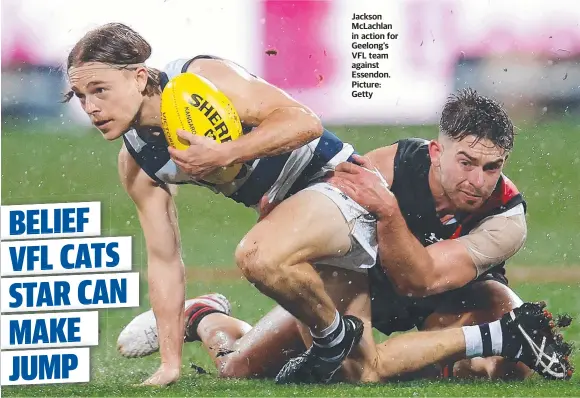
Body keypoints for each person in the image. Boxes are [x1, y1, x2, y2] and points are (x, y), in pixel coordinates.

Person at [118, 89, 574, 382]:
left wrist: (389, 213)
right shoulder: (393, 163)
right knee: (239, 368)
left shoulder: (507, 218)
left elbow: (424, 281)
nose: (478, 181)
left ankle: (460, 350)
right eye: (467, 163)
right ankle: (205, 317)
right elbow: (327, 205)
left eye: (492, 167)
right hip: (363, 282)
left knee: (509, 370)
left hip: (449, 295)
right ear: (438, 152)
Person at [65, 22, 387, 385]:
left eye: (100, 90)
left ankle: (332, 338)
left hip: (338, 185)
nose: (91, 108)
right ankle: (205, 316)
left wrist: (226, 153)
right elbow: (164, 259)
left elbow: (305, 122)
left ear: (139, 77)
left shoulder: (199, 77)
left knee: (259, 255)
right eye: (80, 96)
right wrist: (169, 365)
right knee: (339, 372)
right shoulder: (137, 160)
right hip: (294, 230)